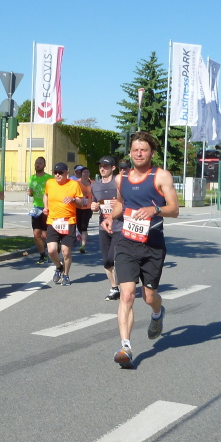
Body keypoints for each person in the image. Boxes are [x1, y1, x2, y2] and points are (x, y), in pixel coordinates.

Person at [102, 131, 179, 369]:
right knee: (126, 294)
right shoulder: (121, 178)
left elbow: (174, 209)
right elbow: (121, 203)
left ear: (151, 153)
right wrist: (110, 217)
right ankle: (125, 347)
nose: (138, 153)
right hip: (126, 242)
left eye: (143, 150)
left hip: (153, 244)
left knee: (148, 297)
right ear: (130, 152)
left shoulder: (161, 176)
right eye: (135, 149)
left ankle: (157, 313)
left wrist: (155, 209)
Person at [43, 162, 83, 286]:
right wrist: (46, 207)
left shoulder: (74, 184)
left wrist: (73, 199)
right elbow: (46, 195)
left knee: (66, 251)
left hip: (69, 221)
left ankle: (66, 275)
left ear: (67, 173)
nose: (57, 175)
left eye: (60, 173)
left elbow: (81, 203)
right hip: (53, 220)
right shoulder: (50, 183)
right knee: (51, 250)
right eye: (55, 172)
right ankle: (59, 267)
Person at [91, 156, 122, 301]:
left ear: (113, 168)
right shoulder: (95, 186)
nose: (102, 169)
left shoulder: (119, 183)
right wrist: (94, 206)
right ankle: (114, 288)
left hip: (119, 226)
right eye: (100, 166)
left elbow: (128, 202)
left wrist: (120, 204)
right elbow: (94, 204)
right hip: (103, 227)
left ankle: (126, 283)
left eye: (106, 166)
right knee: (106, 261)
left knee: (113, 258)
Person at [27, 157, 52, 264]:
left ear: (44, 165)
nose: (38, 165)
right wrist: (30, 193)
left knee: (45, 235)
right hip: (36, 208)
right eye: (36, 163)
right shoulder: (31, 178)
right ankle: (42, 255)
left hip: (47, 208)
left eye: (40, 163)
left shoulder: (49, 178)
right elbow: (31, 193)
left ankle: (54, 247)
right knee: (36, 234)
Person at [76, 167, 93, 253]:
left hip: (88, 208)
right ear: (81, 173)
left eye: (87, 172)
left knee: (84, 226)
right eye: (84, 172)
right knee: (79, 225)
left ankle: (83, 245)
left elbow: (96, 194)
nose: (86, 174)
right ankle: (81, 235)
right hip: (78, 207)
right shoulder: (77, 183)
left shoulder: (92, 183)